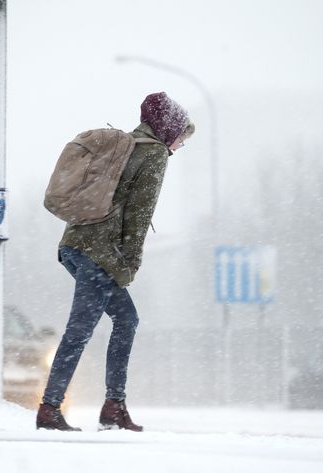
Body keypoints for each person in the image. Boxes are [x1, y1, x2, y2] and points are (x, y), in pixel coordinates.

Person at [36, 92, 195, 432]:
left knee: (126, 319)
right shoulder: (153, 154)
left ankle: (113, 405)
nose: (180, 145)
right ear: (168, 130)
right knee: (80, 331)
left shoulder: (126, 145)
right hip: (101, 252)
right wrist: (130, 263)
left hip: (76, 245)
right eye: (182, 137)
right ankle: (50, 408)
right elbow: (139, 213)